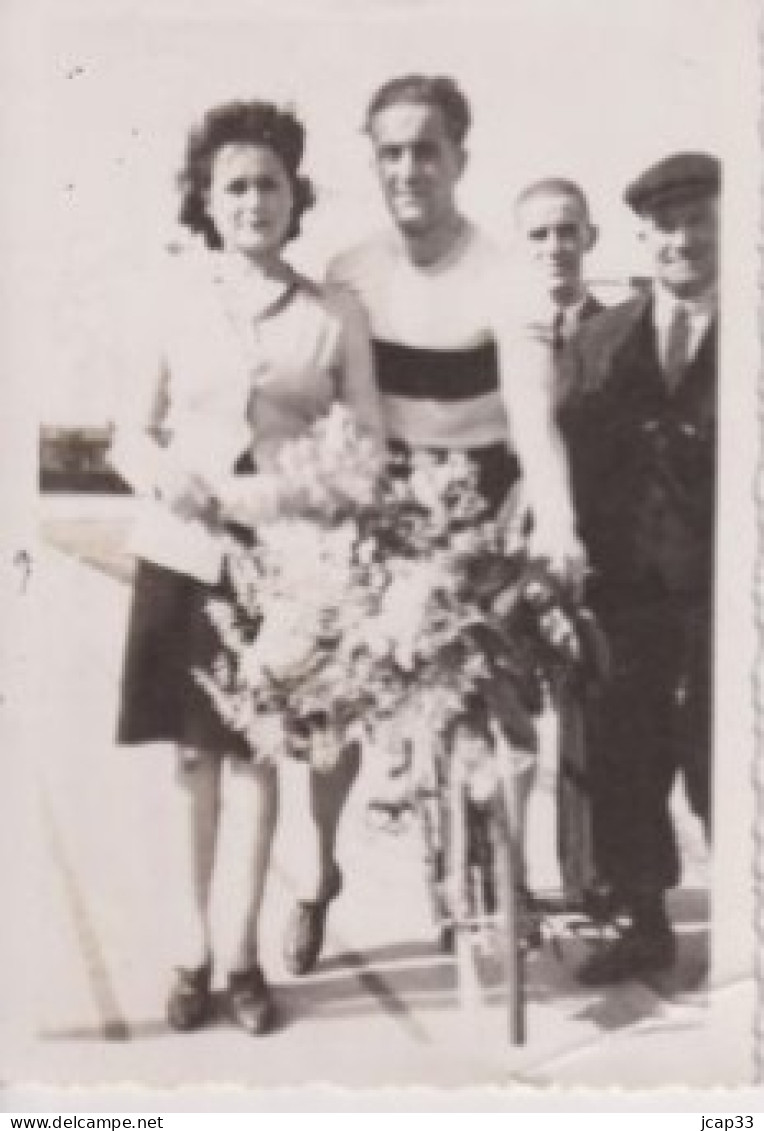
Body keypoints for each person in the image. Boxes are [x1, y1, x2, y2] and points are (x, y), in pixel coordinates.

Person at [282, 73, 583, 976]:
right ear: (375, 161)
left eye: (427, 149)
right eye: (391, 151)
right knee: (332, 705)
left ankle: (510, 871)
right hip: (382, 499)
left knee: (508, 695)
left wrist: (558, 524)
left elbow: (534, 421)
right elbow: (339, 412)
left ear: (460, 158)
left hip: (484, 502)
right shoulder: (351, 270)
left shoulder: (510, 275)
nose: (409, 167)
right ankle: (313, 876)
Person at [110, 99, 382, 1034]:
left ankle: (242, 956)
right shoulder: (170, 300)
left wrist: (292, 497)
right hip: (184, 553)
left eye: (270, 183)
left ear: (294, 197)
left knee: (259, 757)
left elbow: (368, 451)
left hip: (288, 563)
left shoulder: (329, 314)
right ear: (206, 201)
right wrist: (169, 481)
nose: (254, 199)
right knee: (192, 756)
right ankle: (187, 951)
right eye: (235, 185)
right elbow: (127, 437)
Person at [558, 152, 719, 983]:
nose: (683, 238)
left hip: (730, 602)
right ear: (642, 235)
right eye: (667, 224)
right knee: (625, 761)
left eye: (700, 219)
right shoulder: (598, 342)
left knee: (727, 766)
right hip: (627, 600)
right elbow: (569, 466)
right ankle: (645, 925)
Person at [512, 178, 608, 914]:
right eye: (539, 235)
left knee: (588, 716)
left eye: (566, 231)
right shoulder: (500, 335)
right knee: (505, 708)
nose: (554, 247)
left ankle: (586, 878)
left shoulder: (622, 330)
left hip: (594, 548)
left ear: (590, 239)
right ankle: (500, 877)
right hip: (511, 545)